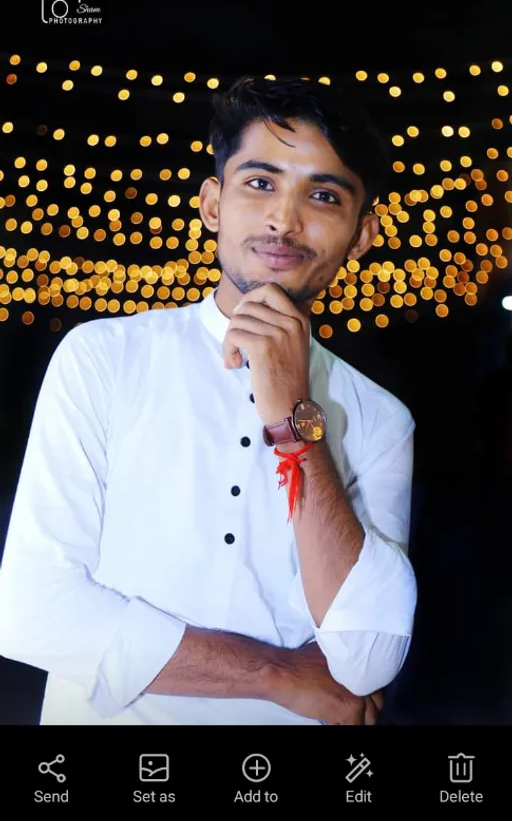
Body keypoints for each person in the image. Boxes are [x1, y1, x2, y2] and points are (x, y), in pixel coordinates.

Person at [0, 75, 417, 726]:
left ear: (360, 236)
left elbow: (366, 660)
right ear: (213, 205)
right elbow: (32, 611)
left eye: (324, 195)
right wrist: (275, 675)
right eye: (259, 183)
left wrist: (294, 417)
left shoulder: (380, 419)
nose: (284, 219)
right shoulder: (104, 358)